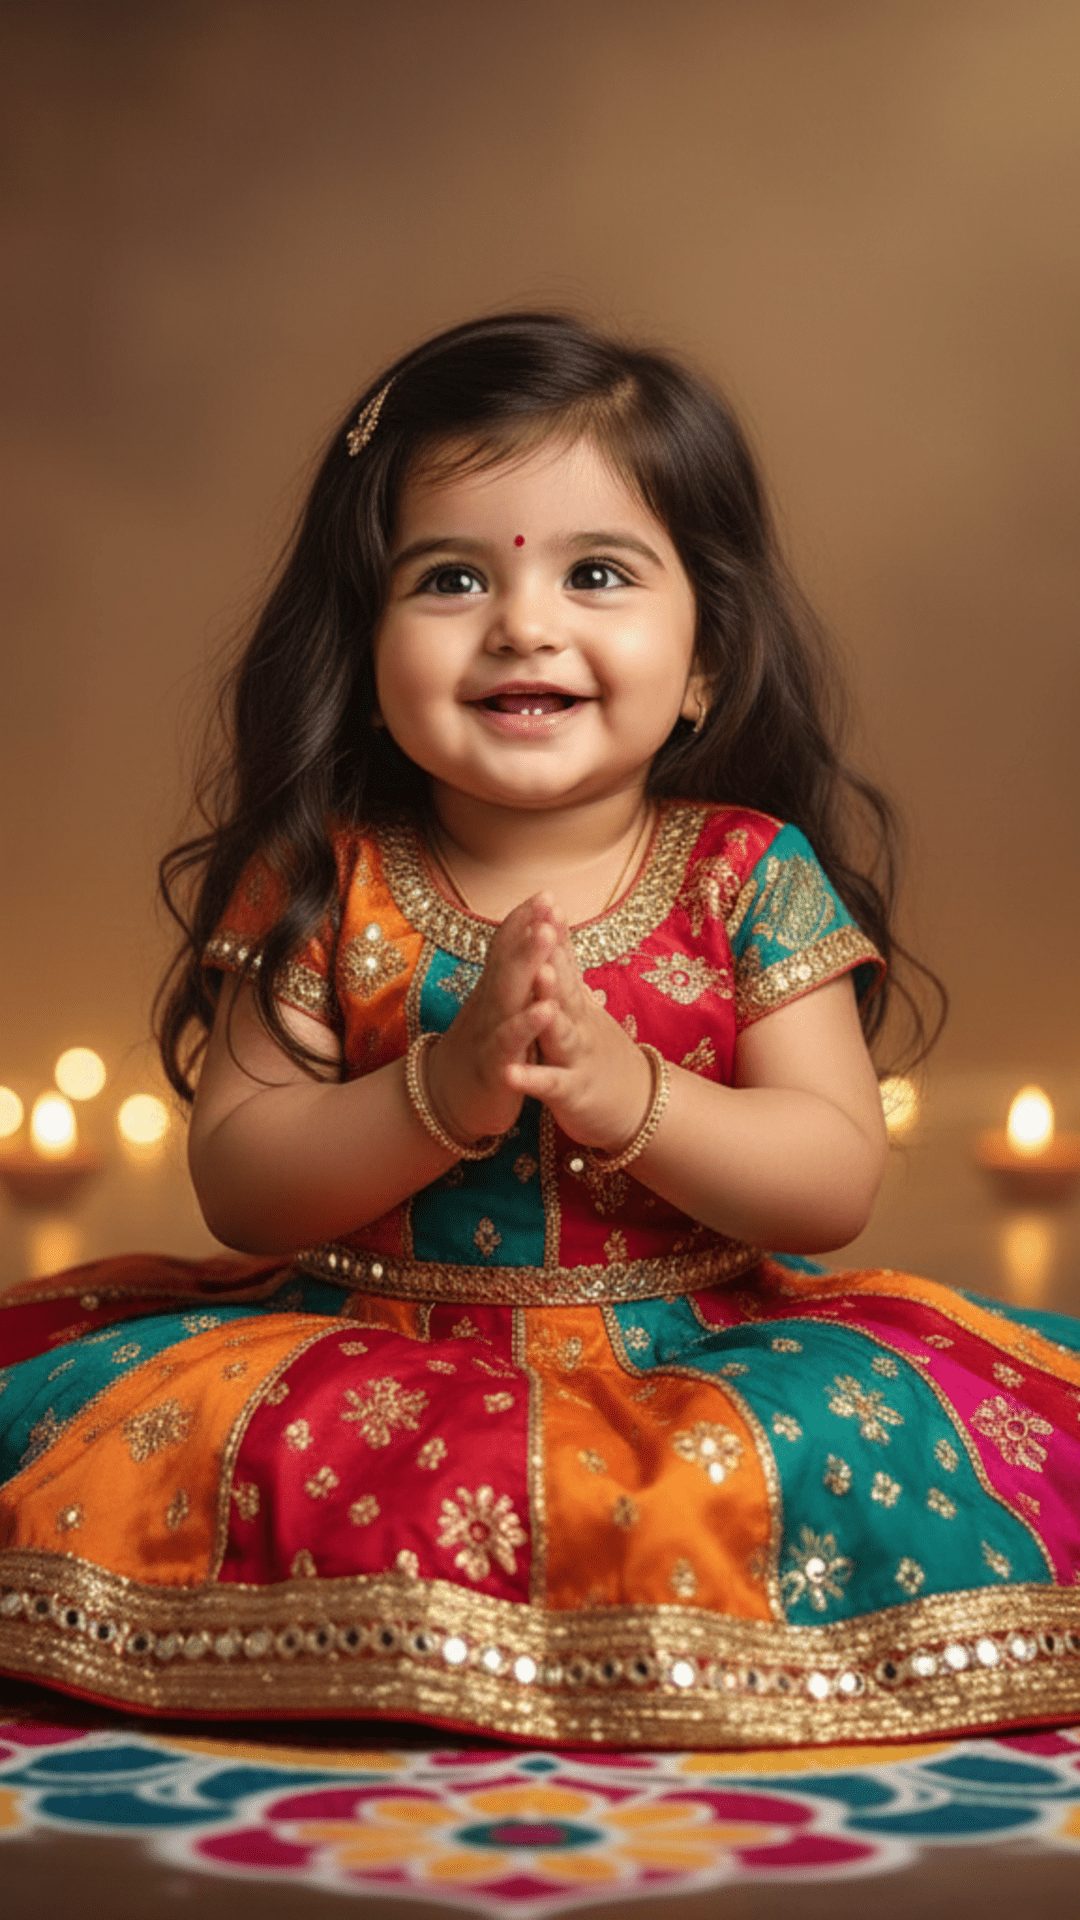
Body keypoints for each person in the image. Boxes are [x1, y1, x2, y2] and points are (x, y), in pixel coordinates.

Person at [2, 310, 1076, 1753]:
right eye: (449, 577)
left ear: (704, 660)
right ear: (363, 651)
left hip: (695, 1353)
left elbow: (830, 1179)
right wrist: (439, 1089)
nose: (524, 624)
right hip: (364, 1344)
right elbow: (242, 1179)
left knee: (770, 1473)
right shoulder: (327, 875)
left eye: (599, 573)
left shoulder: (746, 874)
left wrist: (633, 1093)